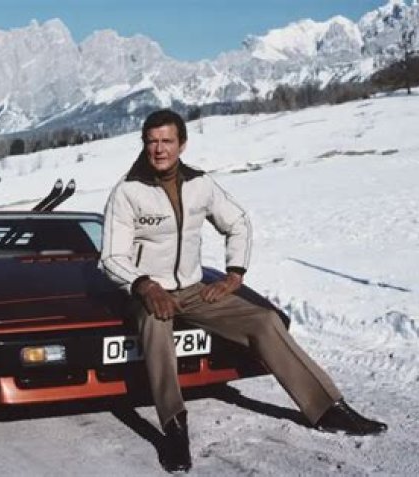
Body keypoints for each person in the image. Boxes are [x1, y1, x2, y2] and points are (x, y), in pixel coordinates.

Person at [100, 109, 386, 473]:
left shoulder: (200, 184)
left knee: (264, 320)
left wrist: (234, 274)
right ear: (144, 144)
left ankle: (327, 408)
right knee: (157, 325)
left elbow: (237, 222)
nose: (159, 149)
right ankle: (174, 427)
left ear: (182, 144)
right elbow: (111, 257)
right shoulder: (127, 191)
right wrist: (145, 285)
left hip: (193, 288)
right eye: (152, 141)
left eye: (167, 141)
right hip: (147, 293)